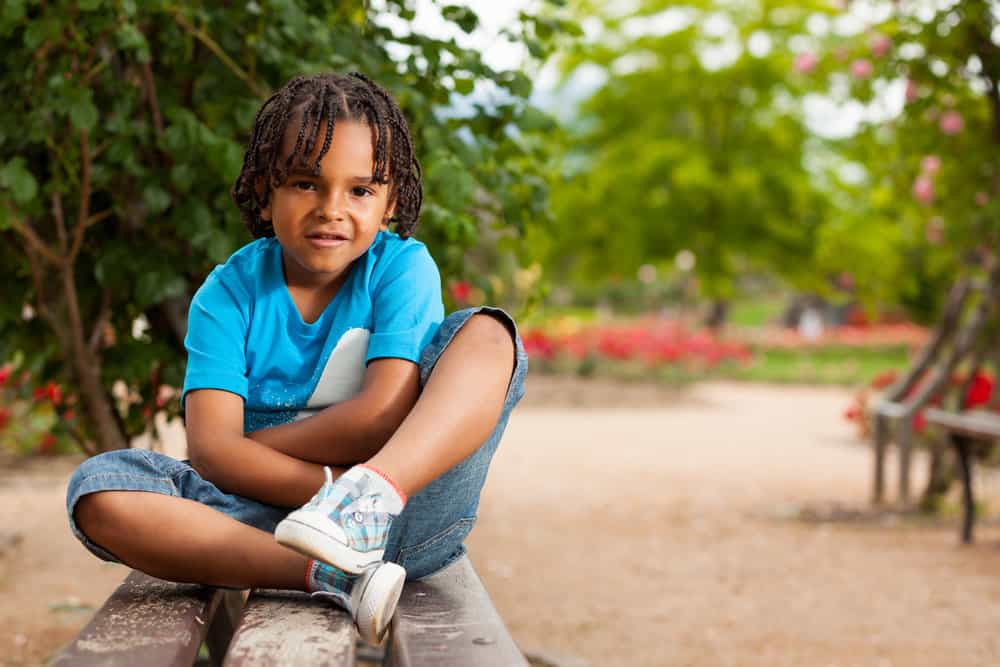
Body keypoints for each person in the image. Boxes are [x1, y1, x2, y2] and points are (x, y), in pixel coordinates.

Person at [66, 72, 527, 644]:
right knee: (100, 488)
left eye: (360, 190)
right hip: (267, 527)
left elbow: (382, 413)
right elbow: (210, 455)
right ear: (265, 191)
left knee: (487, 332)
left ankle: (364, 505)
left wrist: (256, 453)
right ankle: (334, 576)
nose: (331, 209)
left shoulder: (401, 267)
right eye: (306, 184)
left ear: (390, 203)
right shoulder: (227, 294)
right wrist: (279, 474)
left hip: (406, 507)